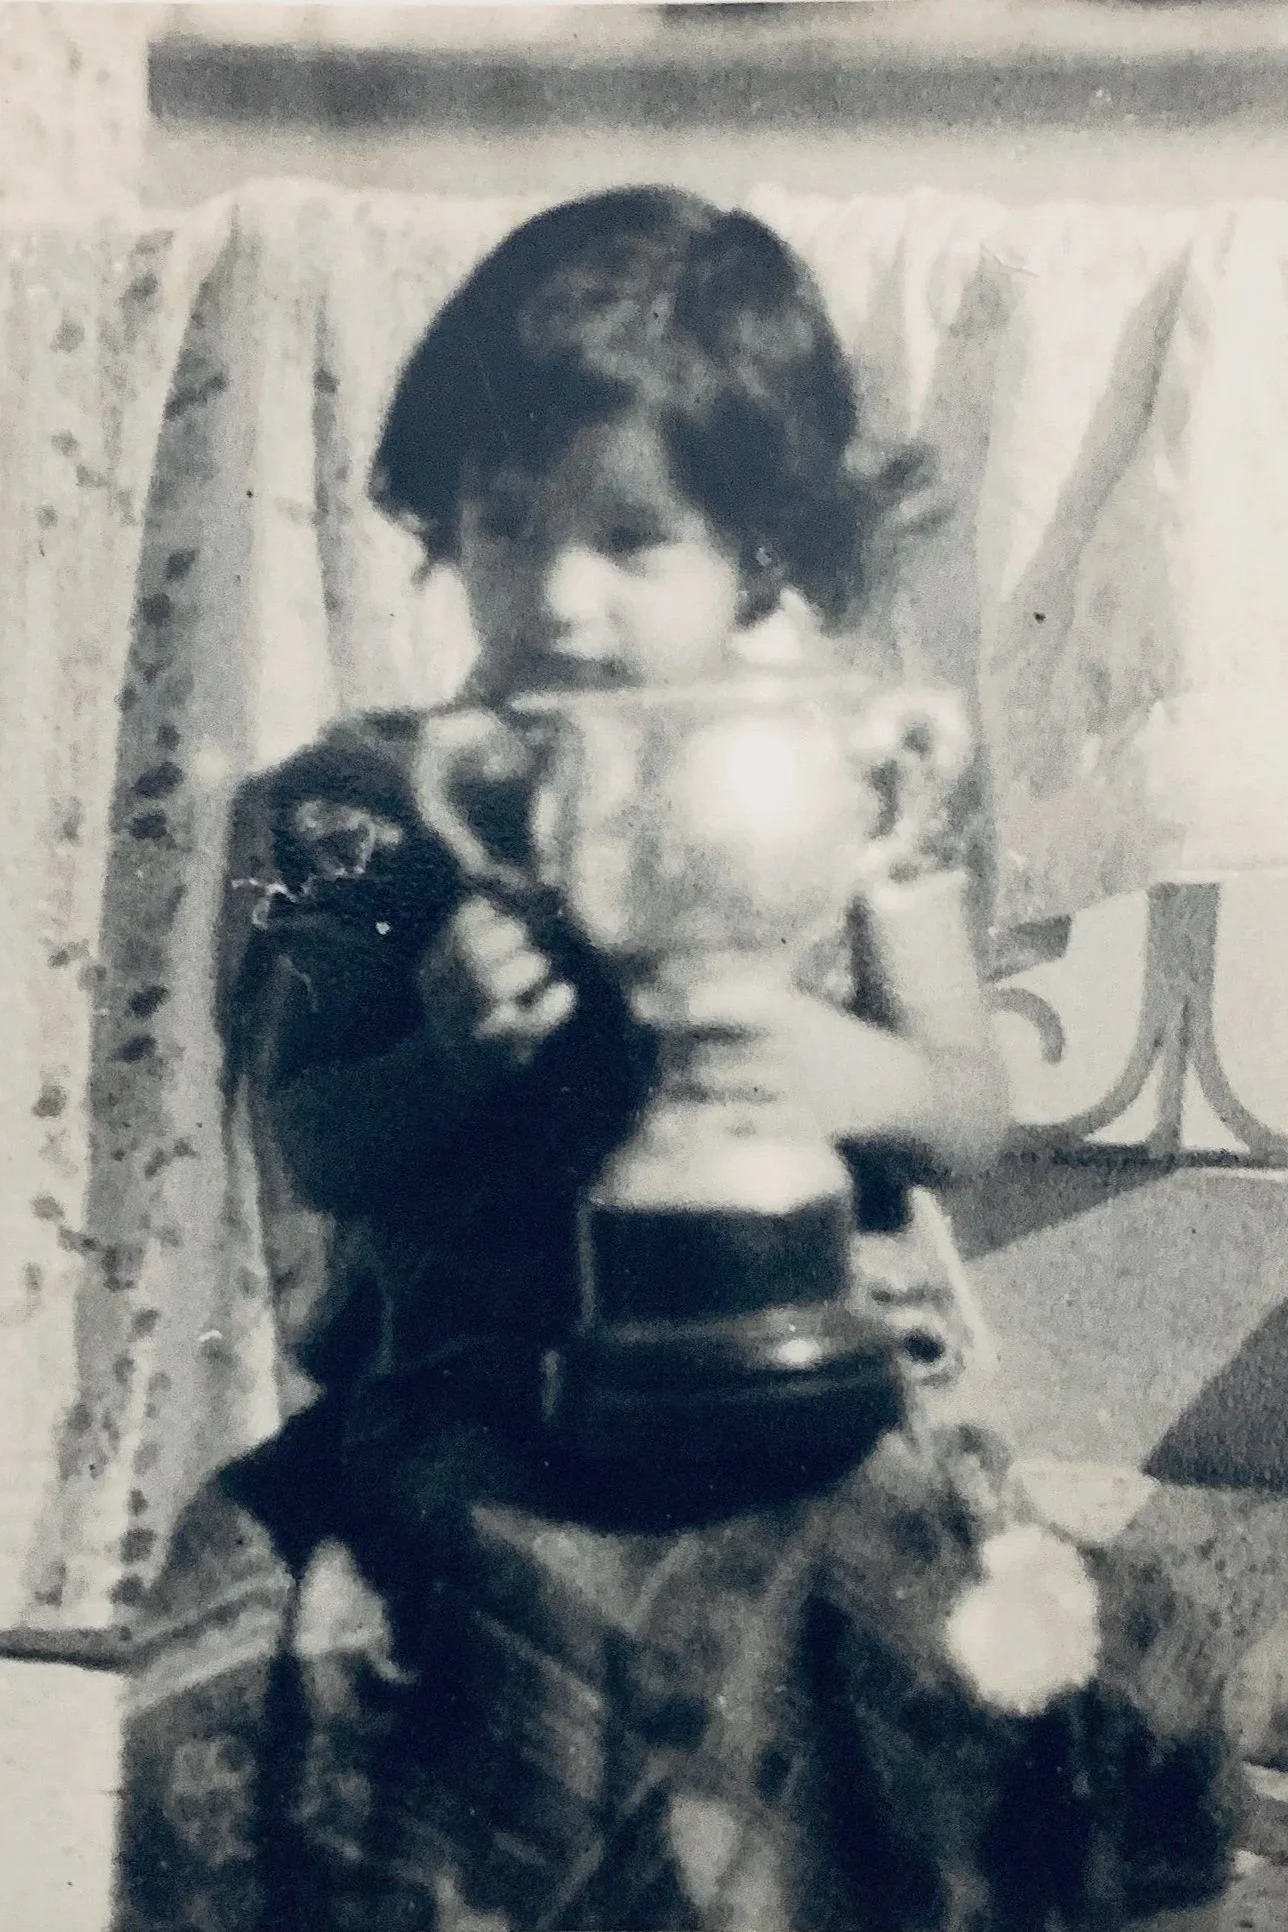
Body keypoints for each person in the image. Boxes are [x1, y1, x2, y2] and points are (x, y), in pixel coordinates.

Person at [208, 187, 1239, 1931]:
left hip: (804, 1386)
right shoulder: (365, 805)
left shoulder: (848, 776)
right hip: (481, 1399)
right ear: (441, 523)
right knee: (455, 1639)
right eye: (508, 519)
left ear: (763, 549)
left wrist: (850, 1074)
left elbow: (971, 1106)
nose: (559, 589)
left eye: (636, 535)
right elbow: (316, 1146)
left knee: (933, 1646)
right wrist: (443, 1057)